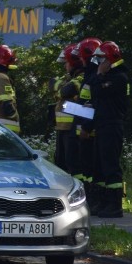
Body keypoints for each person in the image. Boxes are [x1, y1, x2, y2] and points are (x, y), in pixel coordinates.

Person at [89, 41, 129, 218]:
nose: (100, 63)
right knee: (100, 166)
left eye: (102, 59)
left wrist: (99, 74)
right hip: (102, 125)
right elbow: (93, 88)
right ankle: (103, 202)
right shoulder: (108, 76)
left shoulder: (119, 78)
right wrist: (99, 75)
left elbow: (97, 91)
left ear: (110, 59)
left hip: (112, 126)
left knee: (111, 166)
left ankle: (115, 205)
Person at [73, 37, 103, 211]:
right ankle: (90, 199)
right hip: (85, 130)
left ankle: (94, 199)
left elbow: (92, 106)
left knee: (90, 168)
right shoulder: (90, 76)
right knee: (86, 169)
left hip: (89, 132)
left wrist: (86, 127)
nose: (80, 61)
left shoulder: (92, 77)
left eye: (82, 57)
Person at [52, 44, 85, 175]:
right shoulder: (69, 78)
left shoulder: (83, 77)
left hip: (74, 128)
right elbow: (52, 83)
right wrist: (61, 90)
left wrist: (60, 91)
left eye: (66, 63)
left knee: (73, 164)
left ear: (73, 62)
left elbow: (66, 90)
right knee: (60, 164)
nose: (65, 66)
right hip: (62, 128)